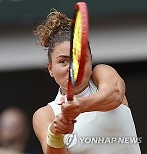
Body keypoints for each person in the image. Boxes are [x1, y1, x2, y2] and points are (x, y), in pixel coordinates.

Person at [32, 9, 141, 154]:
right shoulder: (45, 115)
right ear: (50, 69)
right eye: (63, 61)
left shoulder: (102, 73)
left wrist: (80, 106)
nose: (73, 67)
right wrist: (56, 133)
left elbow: (115, 95)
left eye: (80, 59)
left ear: (91, 61)